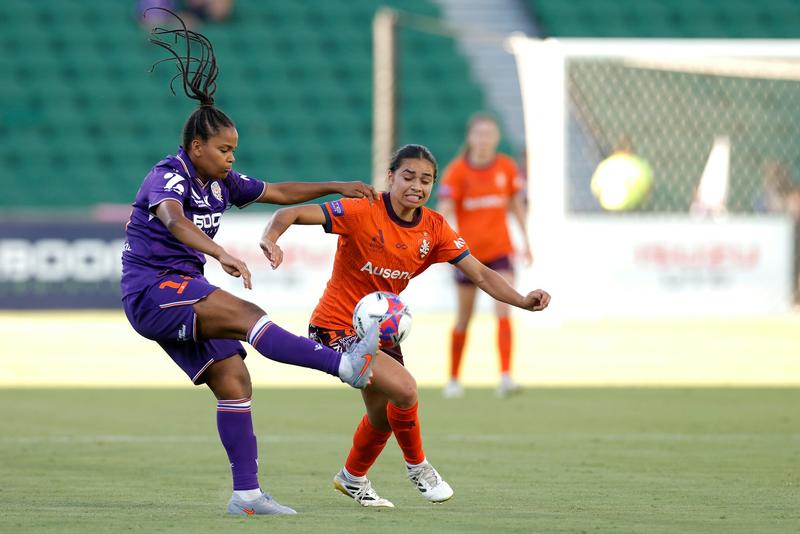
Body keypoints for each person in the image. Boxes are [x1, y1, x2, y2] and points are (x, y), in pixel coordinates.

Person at [121, 9, 379, 517]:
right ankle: (345, 366)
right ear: (197, 146)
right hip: (153, 290)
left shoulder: (222, 182)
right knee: (246, 316)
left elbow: (278, 191)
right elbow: (174, 220)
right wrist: (220, 252)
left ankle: (246, 496)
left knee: (234, 378)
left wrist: (336, 186)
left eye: (234, 150)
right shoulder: (168, 176)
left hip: (180, 289)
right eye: (224, 150)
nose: (232, 158)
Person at [260, 144, 551, 508]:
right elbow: (289, 213)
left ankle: (352, 477)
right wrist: (270, 239)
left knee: (382, 417)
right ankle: (419, 467)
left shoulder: (434, 228)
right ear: (391, 177)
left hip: (379, 332)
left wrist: (521, 300)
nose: (417, 185)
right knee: (407, 390)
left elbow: (479, 272)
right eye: (408, 176)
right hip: (336, 327)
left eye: (425, 180)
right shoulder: (362, 209)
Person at [436, 113, 533, 398]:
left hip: (501, 252)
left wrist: (527, 241)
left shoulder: (506, 167)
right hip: (468, 257)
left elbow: (516, 205)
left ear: (496, 137)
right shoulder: (457, 172)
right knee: (464, 318)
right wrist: (442, 247)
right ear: (470, 138)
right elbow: (444, 211)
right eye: (479, 134)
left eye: (489, 134)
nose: (484, 139)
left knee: (504, 309)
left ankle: (506, 377)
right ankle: (454, 379)